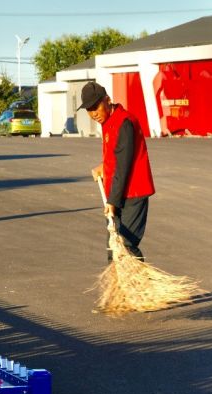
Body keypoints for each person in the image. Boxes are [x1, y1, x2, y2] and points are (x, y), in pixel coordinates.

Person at [79, 81, 155, 260]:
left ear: (107, 100)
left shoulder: (125, 122)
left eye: (95, 107)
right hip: (118, 191)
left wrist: (112, 202)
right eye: (89, 110)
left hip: (134, 192)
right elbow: (115, 157)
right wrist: (103, 167)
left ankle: (139, 286)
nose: (93, 114)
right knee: (113, 248)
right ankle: (118, 286)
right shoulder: (109, 121)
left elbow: (124, 165)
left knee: (126, 245)